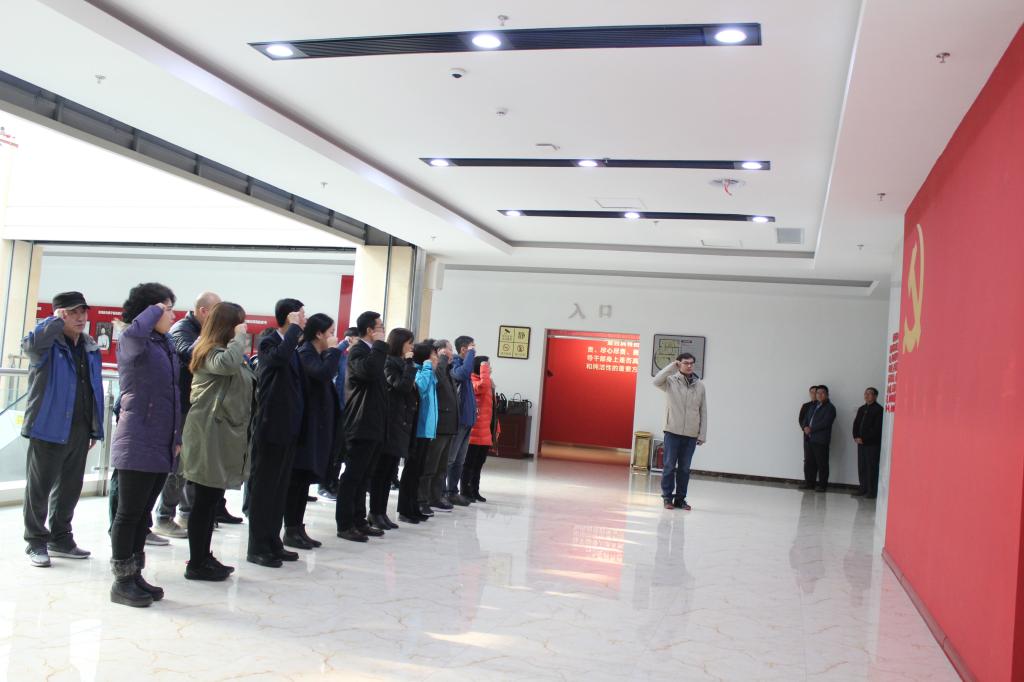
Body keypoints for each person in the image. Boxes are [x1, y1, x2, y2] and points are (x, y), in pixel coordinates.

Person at [109, 283, 182, 607]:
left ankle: (135, 574)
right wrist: (154, 308)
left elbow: (172, 395)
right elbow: (137, 330)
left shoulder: (164, 344)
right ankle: (122, 581)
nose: (173, 315)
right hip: (137, 438)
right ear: (150, 310)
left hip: (161, 440)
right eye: (167, 308)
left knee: (142, 515)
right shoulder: (132, 340)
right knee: (128, 514)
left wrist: (176, 438)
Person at [21, 291, 105, 568]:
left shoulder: (89, 346)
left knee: (70, 488)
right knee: (39, 488)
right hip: (48, 425)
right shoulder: (47, 344)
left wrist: (94, 427)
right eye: (72, 312)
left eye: (83, 312)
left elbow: (93, 388)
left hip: (79, 427)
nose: (80, 317)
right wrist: (54, 321)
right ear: (60, 314)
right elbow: (30, 346)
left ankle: (60, 537)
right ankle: (36, 541)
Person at [179, 302, 253, 580]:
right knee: (204, 500)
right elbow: (227, 365)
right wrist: (239, 339)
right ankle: (196, 563)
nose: (243, 328)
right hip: (207, 433)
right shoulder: (209, 351)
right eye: (239, 323)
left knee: (211, 500)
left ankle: (204, 555)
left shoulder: (225, 351)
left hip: (221, 433)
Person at [155, 291, 223, 540]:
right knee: (179, 464)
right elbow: (188, 355)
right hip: (182, 407)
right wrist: (211, 335)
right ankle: (164, 516)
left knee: (193, 464)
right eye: (216, 313)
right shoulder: (182, 329)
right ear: (204, 311)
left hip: (198, 407)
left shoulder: (202, 331)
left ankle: (186, 513)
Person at [246, 299, 306, 568]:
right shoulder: (269, 340)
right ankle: (257, 546)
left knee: (280, 489)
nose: (304, 320)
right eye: (301, 315)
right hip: (271, 426)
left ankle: (273, 541)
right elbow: (277, 360)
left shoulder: (292, 346)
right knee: (264, 489)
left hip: (289, 427)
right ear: (290, 317)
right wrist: (292, 329)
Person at [285, 314, 342, 549]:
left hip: (318, 429)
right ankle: (291, 529)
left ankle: (298, 527)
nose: (334, 337)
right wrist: (335, 351)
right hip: (306, 430)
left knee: (304, 482)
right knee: (297, 482)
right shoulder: (305, 353)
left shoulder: (317, 354)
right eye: (331, 332)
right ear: (319, 333)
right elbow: (322, 374)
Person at [335, 311, 388, 543]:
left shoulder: (372, 352)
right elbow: (370, 371)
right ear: (369, 330)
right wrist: (380, 346)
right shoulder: (358, 351)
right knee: (353, 476)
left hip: (374, 422)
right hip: (360, 422)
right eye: (380, 326)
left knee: (365, 476)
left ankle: (359, 520)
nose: (383, 330)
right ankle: (345, 523)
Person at [373, 328, 417, 530]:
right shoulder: (389, 362)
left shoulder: (403, 363)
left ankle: (381, 512)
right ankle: (375, 512)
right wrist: (409, 364)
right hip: (390, 422)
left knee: (390, 471)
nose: (412, 347)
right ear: (399, 343)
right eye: (409, 343)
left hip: (402, 422)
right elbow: (402, 386)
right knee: (382, 472)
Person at [652, 353, 708, 511]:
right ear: (679, 364)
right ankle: (667, 498)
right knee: (669, 466)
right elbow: (656, 381)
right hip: (672, 431)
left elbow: (703, 411)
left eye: (692, 363)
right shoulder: (671, 381)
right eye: (685, 363)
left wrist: (702, 434)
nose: (689, 366)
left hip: (691, 435)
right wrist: (672, 366)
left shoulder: (700, 386)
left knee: (684, 469)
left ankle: (680, 499)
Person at [319, 327, 360, 499]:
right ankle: (325, 484)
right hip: (336, 410)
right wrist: (343, 345)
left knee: (342, 450)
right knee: (333, 450)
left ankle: (334, 482)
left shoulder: (353, 359)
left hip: (349, 411)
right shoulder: (338, 356)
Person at [401, 340, 437, 523]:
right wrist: (428, 367)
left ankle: (413, 506)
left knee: (419, 471)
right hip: (417, 428)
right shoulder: (418, 370)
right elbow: (420, 389)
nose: (436, 358)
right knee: (411, 470)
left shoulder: (428, 372)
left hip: (427, 430)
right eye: (434, 354)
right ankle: (405, 509)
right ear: (426, 357)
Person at [424, 339, 457, 513]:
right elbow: (437, 379)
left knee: (442, 466)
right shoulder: (436, 368)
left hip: (449, 425)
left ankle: (436, 497)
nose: (452, 353)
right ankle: (427, 497)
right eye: (448, 350)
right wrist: (443, 359)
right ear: (439, 351)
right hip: (439, 424)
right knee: (432, 464)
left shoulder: (448, 369)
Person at [445, 336, 477, 506]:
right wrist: (471, 354)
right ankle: (441, 492)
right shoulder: (456, 364)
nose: (474, 350)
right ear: (464, 349)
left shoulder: (464, 364)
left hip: (467, 421)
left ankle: (452, 492)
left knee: (459, 460)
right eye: (471, 347)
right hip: (458, 421)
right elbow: (463, 374)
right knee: (450, 459)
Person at [462, 355, 497, 503]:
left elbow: (491, 409)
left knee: (479, 464)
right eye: (486, 365)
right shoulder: (472, 381)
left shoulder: (487, 383)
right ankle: (465, 491)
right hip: (474, 432)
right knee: (469, 464)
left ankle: (475, 490)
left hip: (485, 432)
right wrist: (484, 369)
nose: (489, 368)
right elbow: (481, 387)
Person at [801, 385, 837, 492]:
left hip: (821, 440)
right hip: (809, 439)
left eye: (822, 393)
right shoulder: (813, 406)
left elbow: (826, 423)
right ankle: (809, 484)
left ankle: (822, 486)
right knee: (809, 463)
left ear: (827, 395)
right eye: (818, 393)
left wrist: (811, 429)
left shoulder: (830, 408)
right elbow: (805, 419)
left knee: (822, 464)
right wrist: (805, 427)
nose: (819, 395)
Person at [852, 387, 884, 499]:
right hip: (860, 443)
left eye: (869, 394)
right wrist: (856, 436)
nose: (866, 395)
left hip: (872, 444)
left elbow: (876, 429)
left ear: (875, 396)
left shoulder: (879, 410)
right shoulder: (862, 409)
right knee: (862, 466)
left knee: (871, 467)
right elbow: (856, 424)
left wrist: (864, 439)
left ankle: (872, 491)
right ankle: (863, 488)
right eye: (865, 393)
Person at [798, 386, 819, 491]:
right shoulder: (806, 406)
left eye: (815, 392)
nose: (813, 394)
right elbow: (801, 419)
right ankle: (808, 482)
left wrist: (812, 429)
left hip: (818, 437)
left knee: (817, 460)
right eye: (812, 392)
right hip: (807, 437)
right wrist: (804, 427)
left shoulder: (821, 406)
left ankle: (815, 483)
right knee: (807, 460)